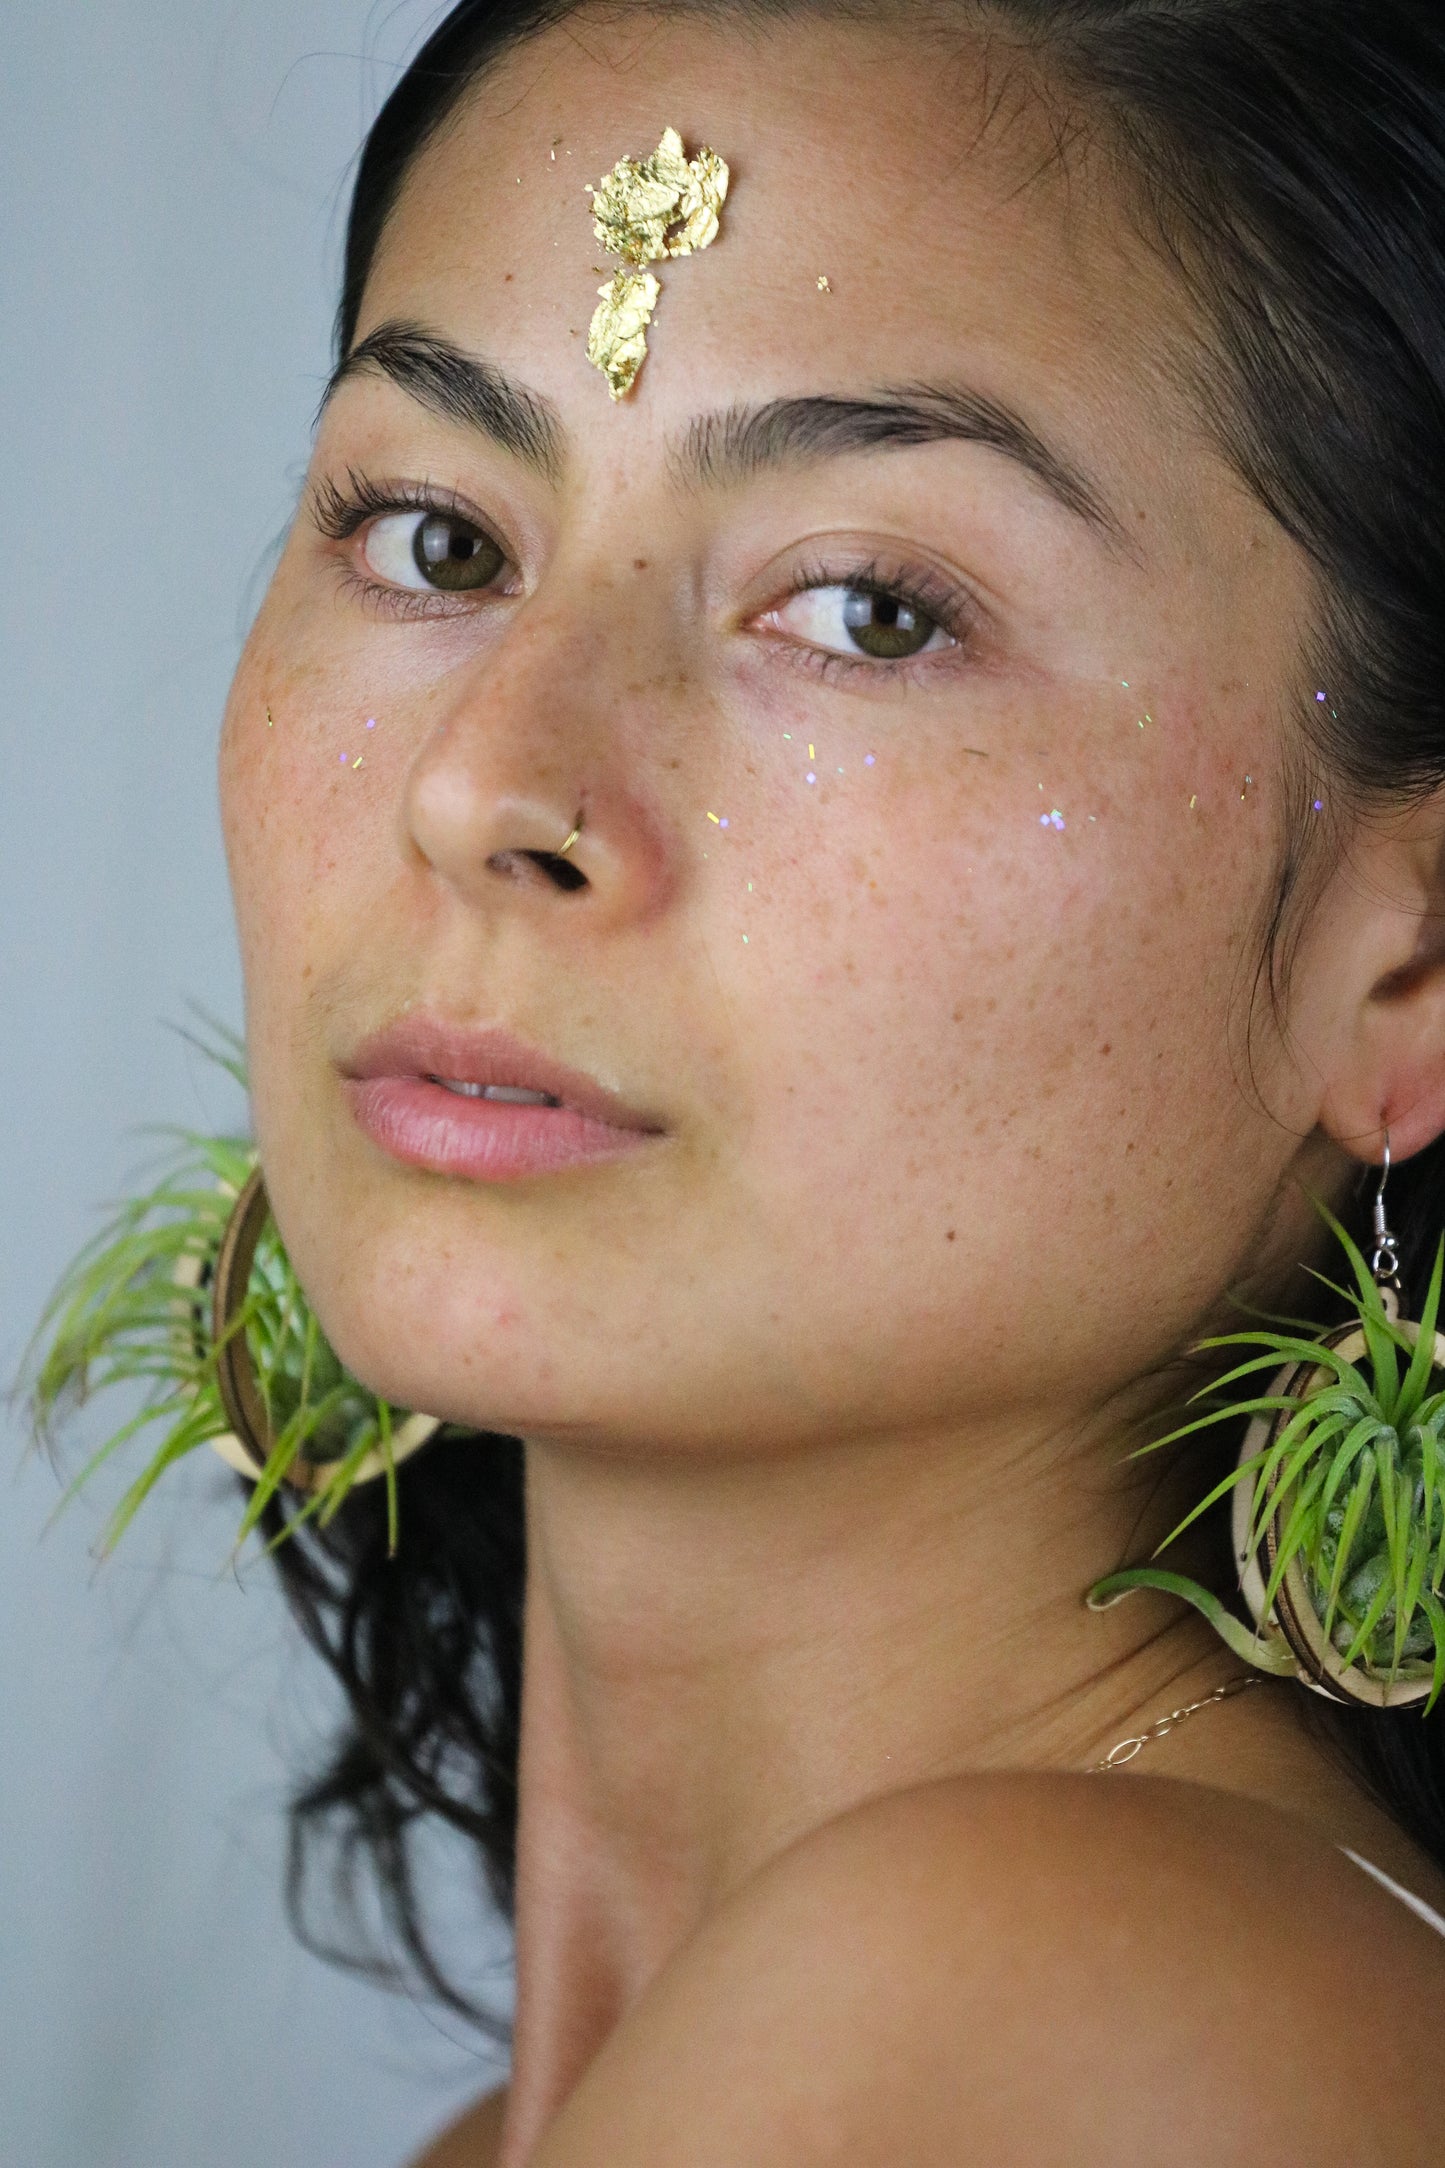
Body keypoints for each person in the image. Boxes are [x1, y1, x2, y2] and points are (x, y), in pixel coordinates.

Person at [210, 0, 1445, 2158]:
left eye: (870, 610)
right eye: (435, 537)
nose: (489, 779)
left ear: (1411, 956)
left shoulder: (1069, 2011)